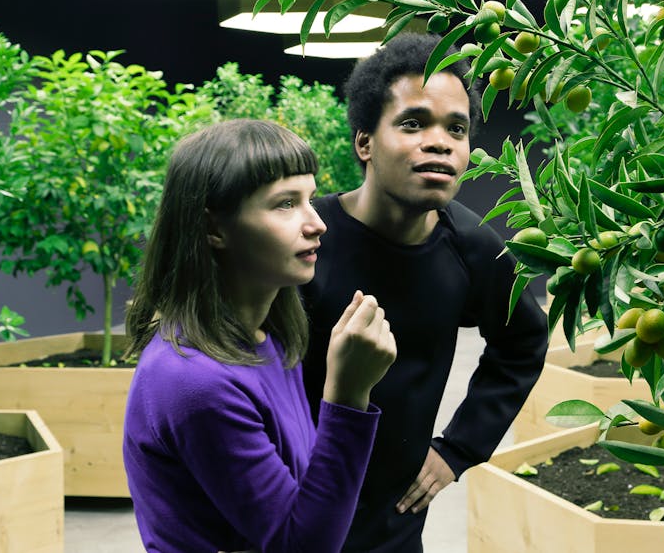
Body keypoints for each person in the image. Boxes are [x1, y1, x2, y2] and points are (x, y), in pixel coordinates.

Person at [299, 32, 550, 551]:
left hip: (394, 525)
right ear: (365, 143)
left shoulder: (471, 247)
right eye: (413, 123)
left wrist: (458, 449)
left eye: (456, 128)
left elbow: (523, 341)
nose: (440, 142)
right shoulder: (307, 238)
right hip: (289, 508)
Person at [122, 119, 397, 553]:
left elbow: (300, 495)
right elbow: (301, 546)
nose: (316, 224)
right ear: (214, 228)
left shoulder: (269, 338)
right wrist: (347, 396)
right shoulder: (195, 383)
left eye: (310, 199)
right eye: (285, 204)